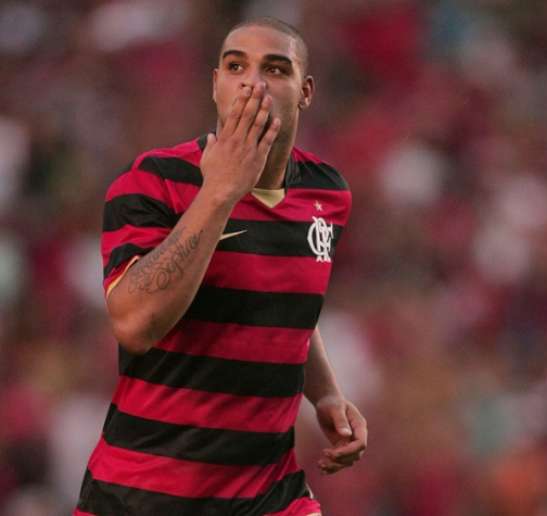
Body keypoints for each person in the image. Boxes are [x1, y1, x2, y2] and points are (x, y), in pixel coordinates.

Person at [74, 17, 367, 516]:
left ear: (306, 92)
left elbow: (288, 302)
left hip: (266, 494)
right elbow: (133, 323)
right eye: (236, 66)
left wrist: (326, 395)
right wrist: (220, 192)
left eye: (276, 69)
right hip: (143, 492)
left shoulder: (327, 192)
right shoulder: (153, 181)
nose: (253, 83)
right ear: (215, 85)